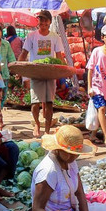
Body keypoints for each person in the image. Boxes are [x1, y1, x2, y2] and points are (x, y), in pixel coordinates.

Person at [31, 126, 106, 211]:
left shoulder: (69, 161)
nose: (73, 157)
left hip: (69, 205)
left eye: (76, 154)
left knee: (102, 195)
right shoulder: (49, 172)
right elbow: (37, 209)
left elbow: (79, 191)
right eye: (69, 153)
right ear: (58, 149)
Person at [19, 10, 67, 138]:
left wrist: (62, 72)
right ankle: (37, 124)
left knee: (49, 102)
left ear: (50, 22)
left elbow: (59, 57)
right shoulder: (31, 36)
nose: (43, 22)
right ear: (38, 22)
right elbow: (24, 54)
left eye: (46, 20)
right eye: (41, 20)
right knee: (35, 103)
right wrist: (19, 70)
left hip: (50, 73)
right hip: (36, 73)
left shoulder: (55, 37)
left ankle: (46, 130)